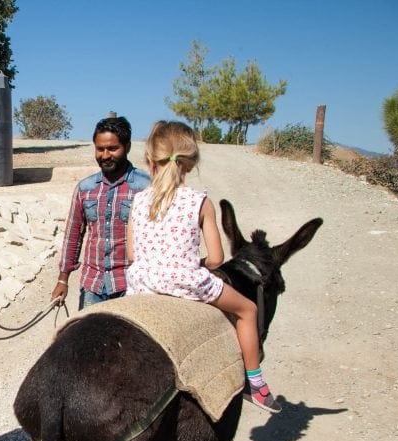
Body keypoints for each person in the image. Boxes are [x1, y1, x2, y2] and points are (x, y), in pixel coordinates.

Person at [125, 120, 280, 413]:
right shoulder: (200, 202)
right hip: (185, 282)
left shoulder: (138, 200)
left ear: (149, 160)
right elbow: (217, 260)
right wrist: (189, 263)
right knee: (248, 310)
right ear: (191, 162)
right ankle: (255, 384)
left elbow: (132, 254)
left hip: (142, 283)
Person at [51, 116, 151, 309]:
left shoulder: (146, 187)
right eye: (100, 149)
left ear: (127, 147)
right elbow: (73, 236)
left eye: (112, 149)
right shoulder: (85, 188)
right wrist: (63, 280)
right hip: (93, 286)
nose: (105, 155)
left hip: (132, 287)